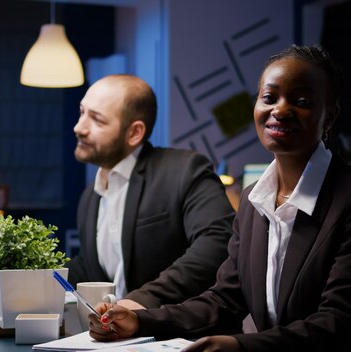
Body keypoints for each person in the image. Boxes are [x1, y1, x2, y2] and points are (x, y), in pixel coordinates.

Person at [87, 45, 351, 351]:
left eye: (301, 101)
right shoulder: (253, 199)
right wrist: (141, 321)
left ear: (330, 115)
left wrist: (240, 346)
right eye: (269, 97)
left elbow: (341, 323)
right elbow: (225, 299)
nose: (280, 109)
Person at [67, 74, 234, 310]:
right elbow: (89, 267)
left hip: (183, 336)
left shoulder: (184, 170)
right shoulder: (89, 198)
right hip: (115, 341)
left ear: (134, 133)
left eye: (97, 120)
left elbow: (219, 240)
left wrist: (142, 300)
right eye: (82, 112)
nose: (79, 127)